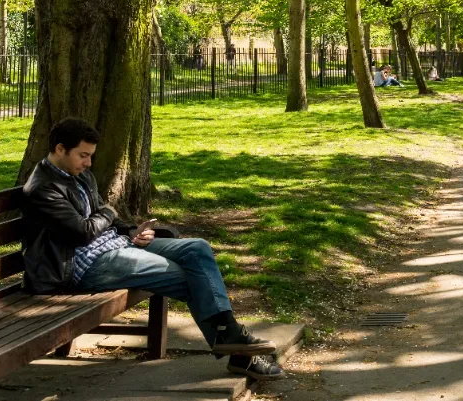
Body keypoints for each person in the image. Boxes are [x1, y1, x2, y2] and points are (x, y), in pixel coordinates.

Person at [21, 118, 284, 380]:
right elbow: (82, 231)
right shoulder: (43, 188)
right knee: (192, 277)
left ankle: (230, 336)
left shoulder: (80, 175)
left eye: (90, 156)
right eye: (83, 155)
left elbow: (101, 220)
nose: (88, 163)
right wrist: (110, 211)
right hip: (83, 267)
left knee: (197, 249)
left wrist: (130, 230)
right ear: (59, 149)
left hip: (115, 245)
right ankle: (238, 348)